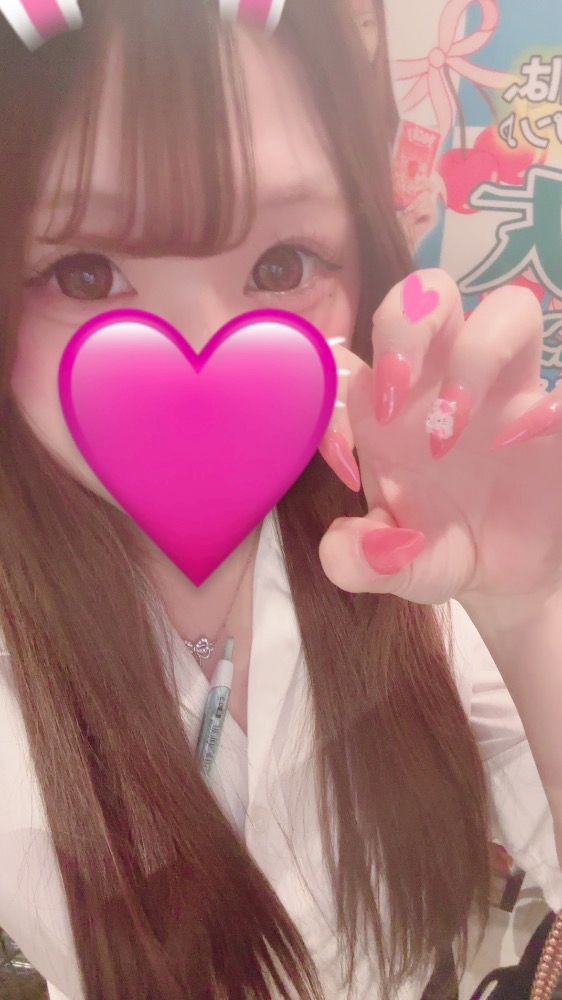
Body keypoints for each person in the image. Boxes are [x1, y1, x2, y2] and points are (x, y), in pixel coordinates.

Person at [0, 1, 562, 999]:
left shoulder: (414, 556)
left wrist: (531, 616)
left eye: (280, 265)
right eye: (84, 272)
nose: (199, 350)